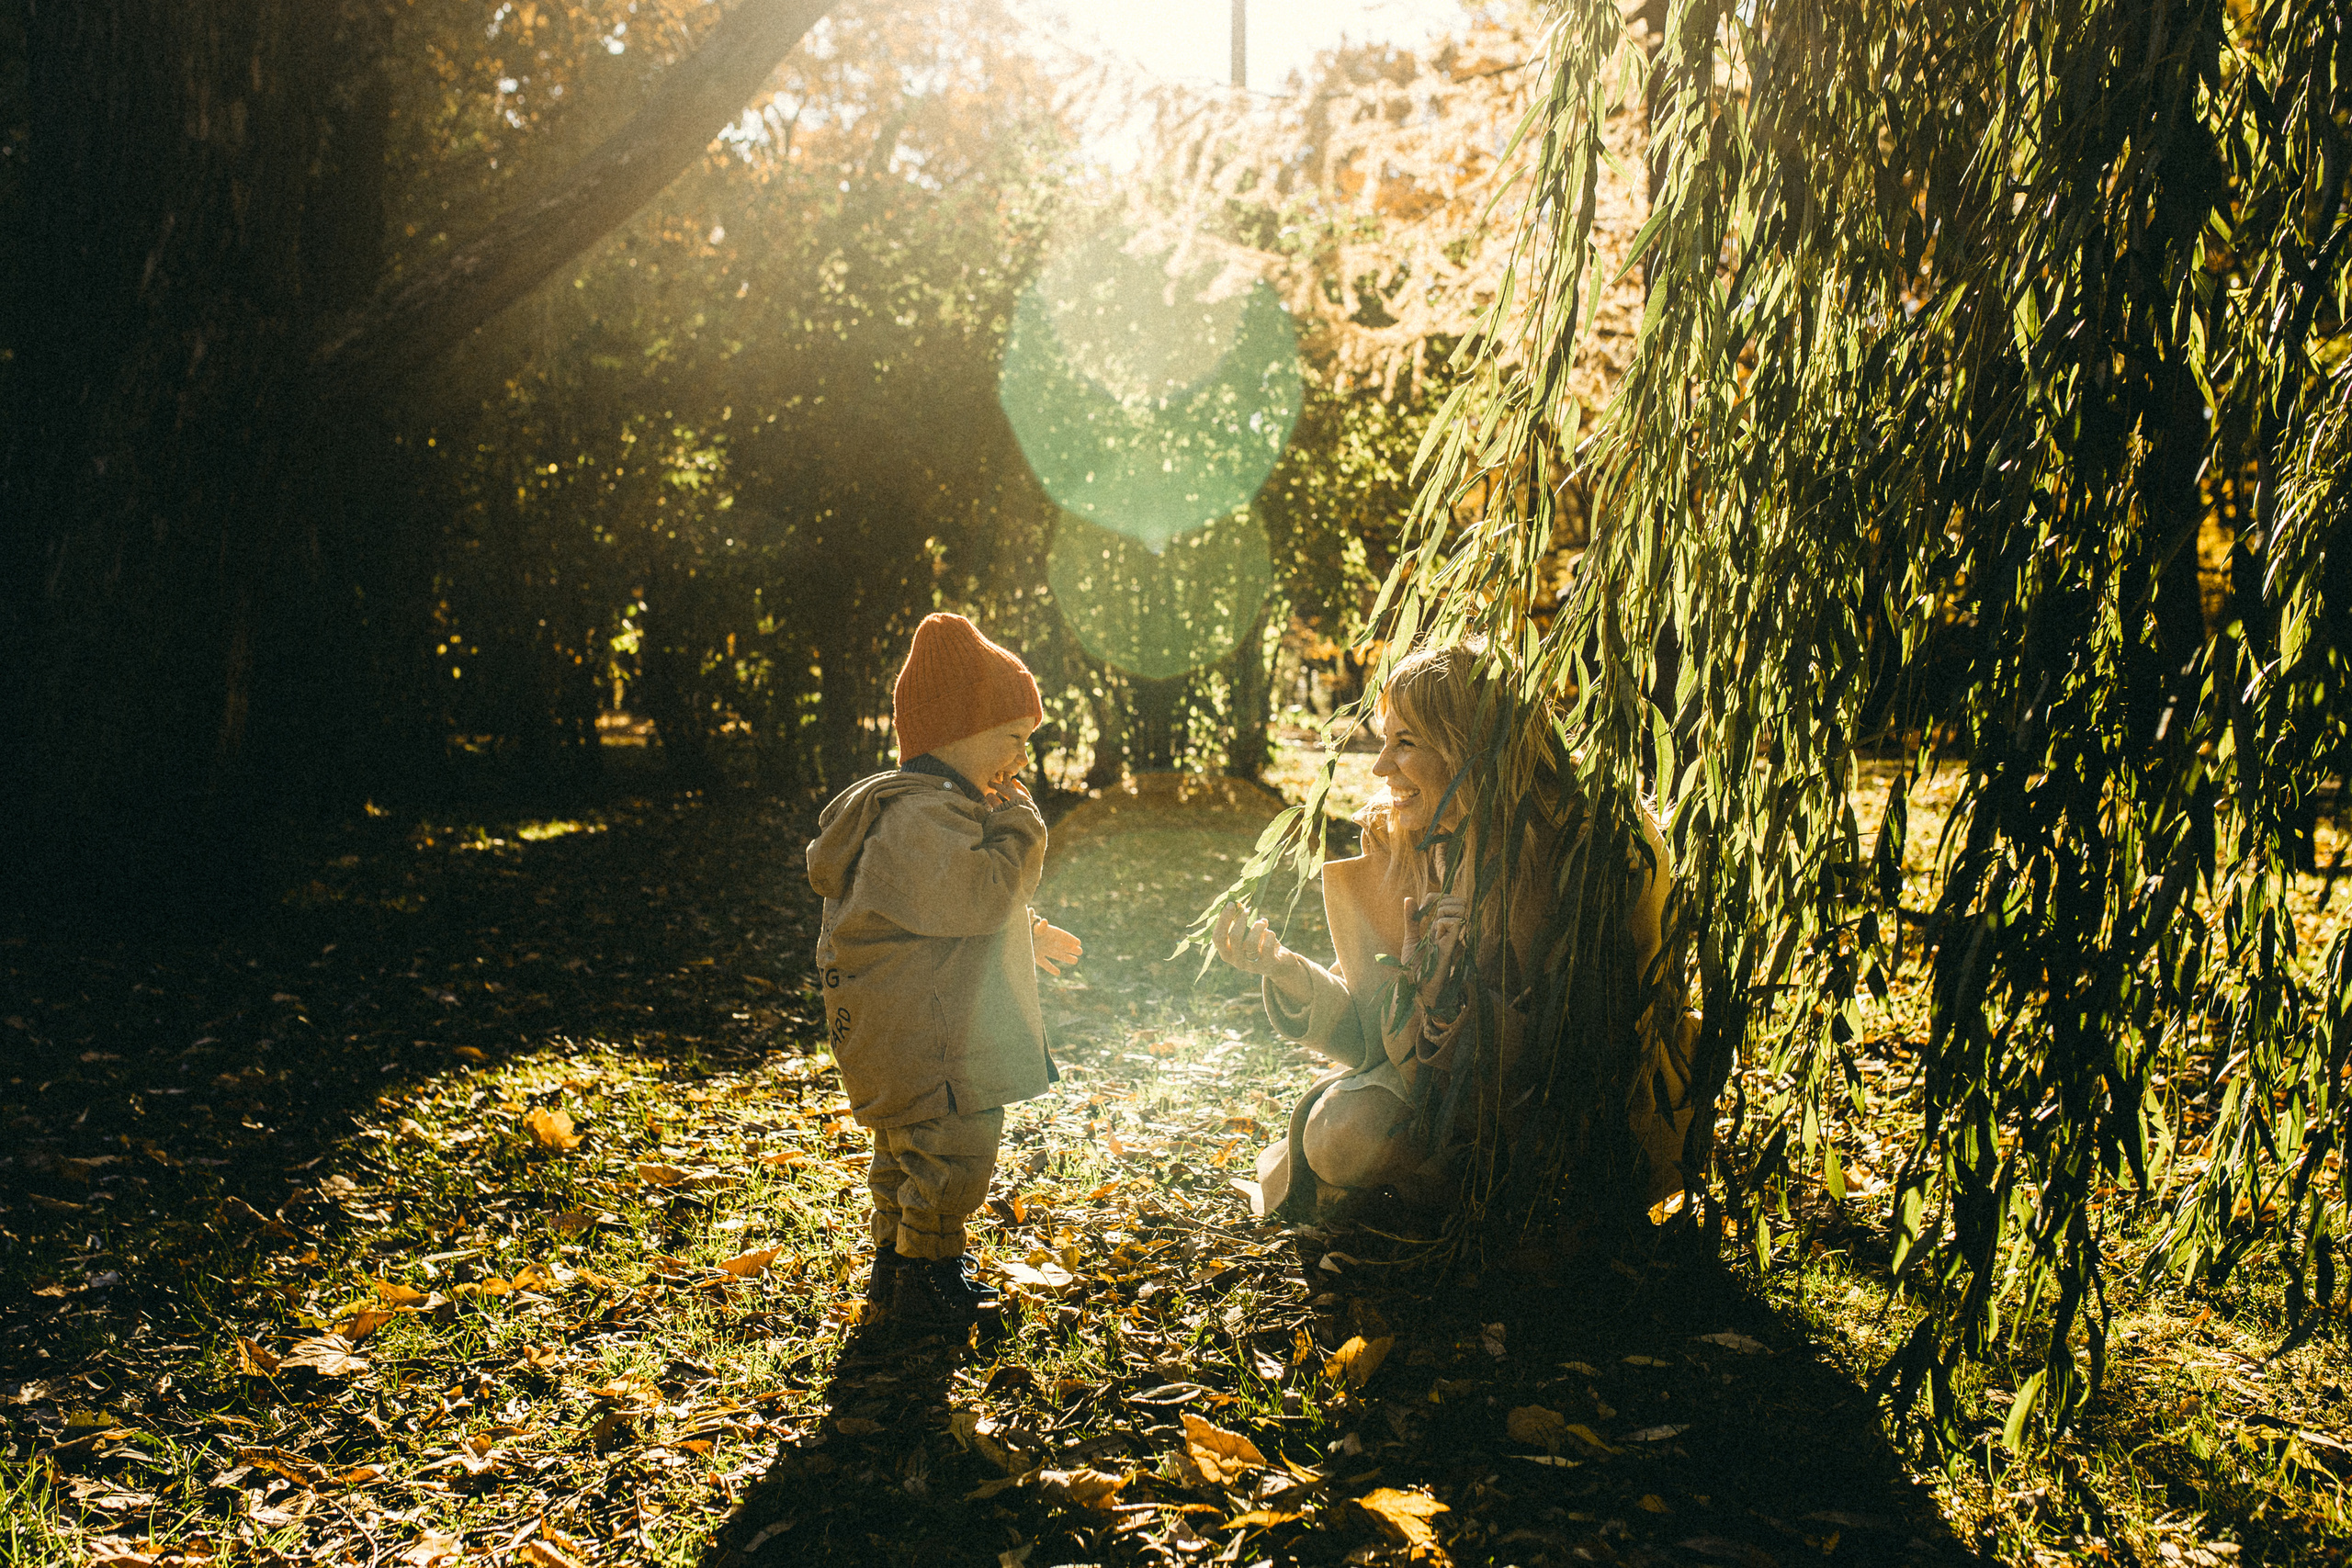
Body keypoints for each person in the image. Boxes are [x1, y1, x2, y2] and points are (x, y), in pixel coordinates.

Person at [1212, 644, 1700, 1224]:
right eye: (1383, 739)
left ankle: (1500, 1208)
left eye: (1406, 743)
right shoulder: (1399, 844)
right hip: (1436, 1087)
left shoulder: (1592, 849)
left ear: (1470, 743)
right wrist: (1286, 970)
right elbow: (1371, 1024)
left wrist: (1460, 1009)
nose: (1379, 767)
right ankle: (1458, 1204)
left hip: (1559, 1107)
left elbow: (1601, 1038)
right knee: (1337, 1136)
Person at [806, 613, 1083, 1328]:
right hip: (933, 1041)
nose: (1020, 761)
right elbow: (976, 895)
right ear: (959, 730)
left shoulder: (918, 813)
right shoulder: (921, 820)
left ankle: (898, 1270)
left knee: (906, 1155)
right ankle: (927, 1278)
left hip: (904, 1029)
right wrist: (1024, 827)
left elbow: (940, 914)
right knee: (952, 1151)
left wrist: (1030, 932)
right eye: (1013, 738)